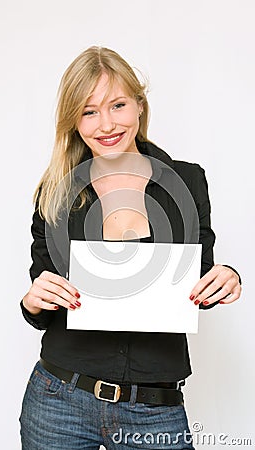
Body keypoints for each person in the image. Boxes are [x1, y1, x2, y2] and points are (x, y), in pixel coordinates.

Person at [19, 46, 242, 450]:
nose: (105, 124)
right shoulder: (54, 192)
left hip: (155, 406)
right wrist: (34, 300)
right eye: (88, 111)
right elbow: (43, 294)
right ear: (74, 121)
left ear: (139, 105)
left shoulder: (188, 183)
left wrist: (225, 280)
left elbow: (198, 281)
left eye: (117, 105)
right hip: (59, 401)